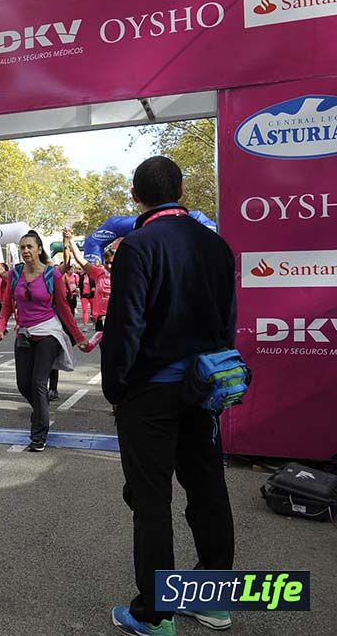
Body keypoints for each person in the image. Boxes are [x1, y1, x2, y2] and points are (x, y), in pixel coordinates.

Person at [104, 156, 236, 635]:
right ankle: (214, 602)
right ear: (180, 188)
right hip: (205, 387)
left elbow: (126, 328)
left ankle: (155, 615)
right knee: (207, 491)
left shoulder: (137, 246)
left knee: (151, 501)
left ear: (136, 195)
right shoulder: (217, 245)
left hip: (151, 392)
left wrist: (115, 388)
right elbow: (228, 321)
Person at [0, 231, 86, 451]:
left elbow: (63, 309)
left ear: (39, 249)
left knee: (38, 383)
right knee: (23, 384)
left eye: (29, 246)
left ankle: (38, 435)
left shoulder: (53, 275)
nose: (25, 251)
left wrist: (79, 338)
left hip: (48, 333)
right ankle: (41, 412)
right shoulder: (15, 274)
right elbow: (6, 306)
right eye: (22, 247)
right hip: (24, 333)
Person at [65, 228, 114, 332]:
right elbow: (80, 260)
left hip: (118, 320)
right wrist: (71, 239)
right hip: (101, 320)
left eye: (112, 262)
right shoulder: (99, 273)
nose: (109, 266)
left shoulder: (125, 274)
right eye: (106, 262)